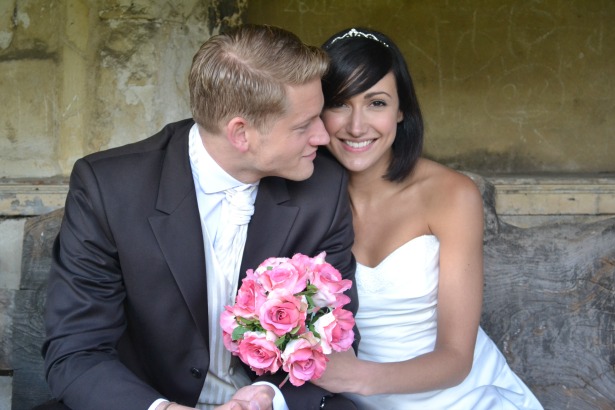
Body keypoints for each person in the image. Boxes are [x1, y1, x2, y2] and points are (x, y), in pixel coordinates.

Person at [40, 24, 359, 410]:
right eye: (304, 124)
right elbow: (77, 350)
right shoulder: (109, 189)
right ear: (241, 133)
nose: (324, 137)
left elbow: (336, 337)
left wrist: (269, 398)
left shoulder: (323, 190)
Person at [311, 27, 543, 409]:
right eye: (339, 103)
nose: (356, 126)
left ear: (402, 110)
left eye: (377, 103)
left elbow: (455, 358)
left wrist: (356, 377)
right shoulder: (299, 201)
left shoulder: (451, 195)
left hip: (462, 398)